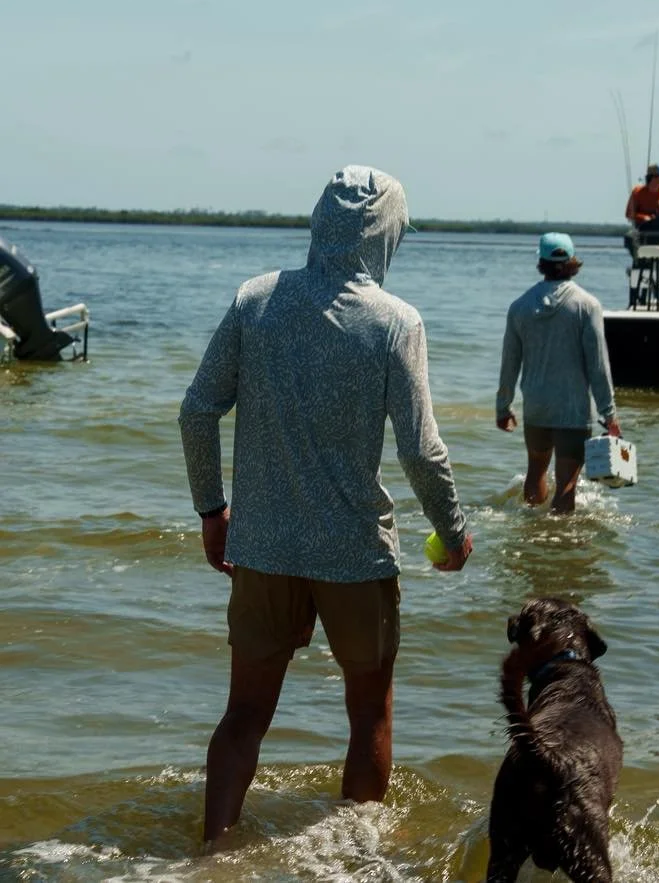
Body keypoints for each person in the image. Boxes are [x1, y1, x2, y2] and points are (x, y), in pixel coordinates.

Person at [179, 165, 472, 846]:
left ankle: (214, 848)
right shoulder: (397, 321)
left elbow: (197, 411)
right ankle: (357, 856)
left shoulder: (256, 300)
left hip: (264, 547)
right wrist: (452, 532)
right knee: (369, 709)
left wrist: (211, 511)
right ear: (387, 234)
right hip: (355, 553)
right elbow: (421, 451)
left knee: (244, 712)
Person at [495, 232, 622, 515]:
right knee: (566, 484)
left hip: (537, 407)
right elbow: (598, 365)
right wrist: (609, 414)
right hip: (572, 410)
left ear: (541, 262)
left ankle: (530, 531)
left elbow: (509, 363)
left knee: (535, 474)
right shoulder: (587, 306)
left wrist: (503, 406)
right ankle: (558, 544)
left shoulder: (520, 306)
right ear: (572, 262)